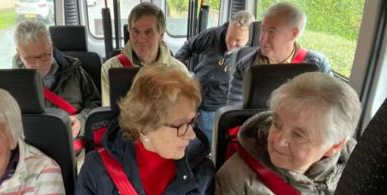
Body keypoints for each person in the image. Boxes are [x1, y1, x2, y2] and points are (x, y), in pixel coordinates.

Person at [71, 65, 222, 195]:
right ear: (145, 126)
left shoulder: (200, 169)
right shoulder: (97, 170)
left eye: (192, 121)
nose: (192, 134)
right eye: (180, 125)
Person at [214, 72, 361, 195]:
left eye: (298, 135)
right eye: (276, 124)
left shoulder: (359, 177)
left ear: (334, 146)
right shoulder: (239, 174)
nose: (279, 141)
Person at [229, 2, 332, 107]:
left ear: (293, 34)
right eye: (263, 30)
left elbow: (331, 107)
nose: (263, 39)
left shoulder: (318, 65)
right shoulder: (245, 65)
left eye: (271, 32)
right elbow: (234, 111)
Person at [175, 10, 254, 143]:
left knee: (203, 145)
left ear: (248, 38)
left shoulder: (251, 56)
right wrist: (179, 70)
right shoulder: (212, 35)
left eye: (238, 41)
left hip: (216, 109)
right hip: (193, 99)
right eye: (231, 37)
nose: (232, 43)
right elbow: (187, 47)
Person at [13, 20, 100, 137]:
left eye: (45, 55)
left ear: (51, 46)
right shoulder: (12, 81)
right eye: (30, 59)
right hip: (31, 147)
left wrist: (81, 122)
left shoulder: (75, 71)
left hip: (73, 144)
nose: (39, 64)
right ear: (19, 54)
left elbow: (97, 105)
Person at [100, 2, 188, 107]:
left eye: (148, 32)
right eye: (136, 31)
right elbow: (108, 114)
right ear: (129, 31)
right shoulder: (110, 68)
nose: (141, 39)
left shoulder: (179, 71)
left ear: (161, 35)